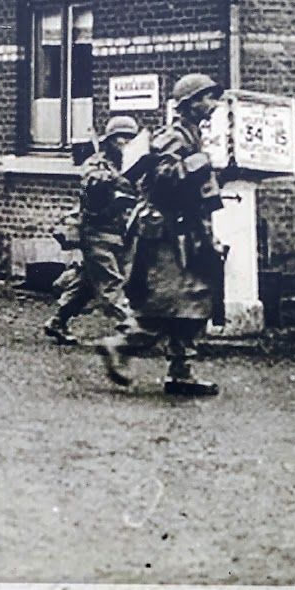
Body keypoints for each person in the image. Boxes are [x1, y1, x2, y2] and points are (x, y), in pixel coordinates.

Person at [100, 73, 227, 396]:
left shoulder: (192, 134)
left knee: (193, 298)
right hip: (167, 233)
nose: (213, 104)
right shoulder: (174, 136)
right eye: (207, 98)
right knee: (169, 300)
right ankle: (121, 344)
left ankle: (181, 371)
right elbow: (160, 178)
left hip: (185, 230)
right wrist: (197, 164)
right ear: (189, 104)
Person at [44, 115, 148, 350]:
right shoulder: (97, 164)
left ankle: (58, 321)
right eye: (121, 137)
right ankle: (134, 328)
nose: (125, 142)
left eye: (130, 138)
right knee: (111, 283)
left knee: (88, 284)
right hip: (97, 233)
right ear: (109, 141)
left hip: (123, 233)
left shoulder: (132, 166)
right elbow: (91, 181)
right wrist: (115, 179)